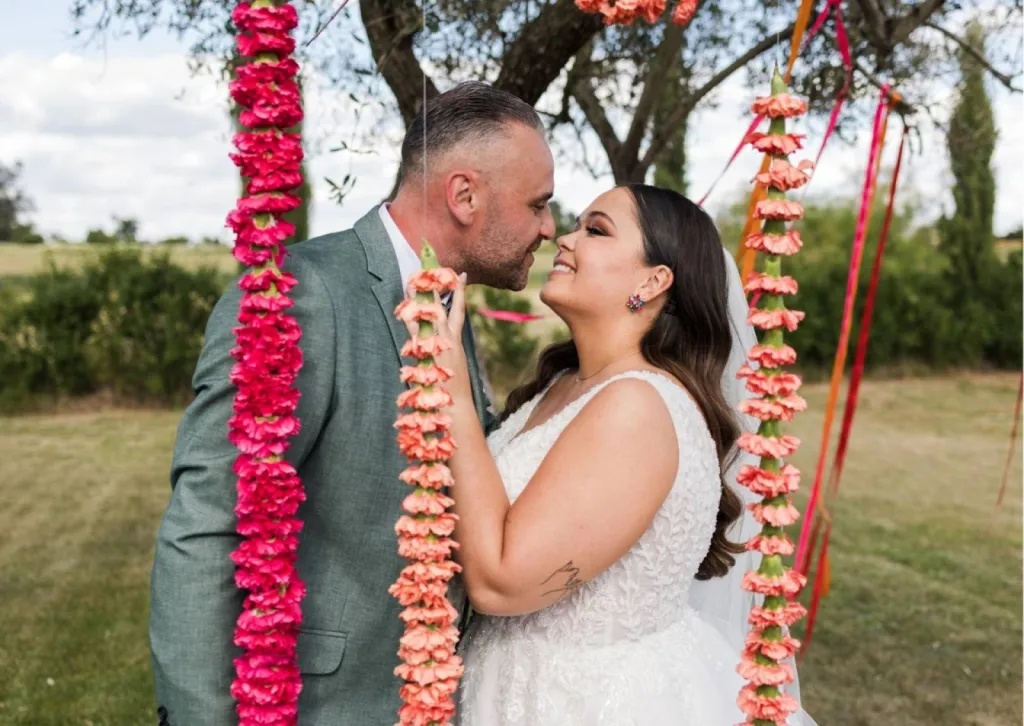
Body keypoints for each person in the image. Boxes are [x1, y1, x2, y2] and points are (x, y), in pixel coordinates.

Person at [148, 81, 555, 726]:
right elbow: (208, 522)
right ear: (464, 194)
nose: (549, 228)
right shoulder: (302, 295)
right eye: (538, 205)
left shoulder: (449, 300)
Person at [404, 184, 817, 724]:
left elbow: (501, 582)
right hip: (506, 688)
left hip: (589, 703)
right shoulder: (564, 385)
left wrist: (448, 381)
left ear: (653, 281)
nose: (565, 238)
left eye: (596, 230)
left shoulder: (638, 408)